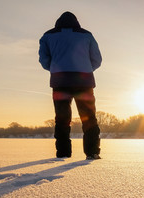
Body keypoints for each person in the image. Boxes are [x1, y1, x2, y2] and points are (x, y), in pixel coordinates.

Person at [39, 11, 102, 160]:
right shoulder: (87, 35)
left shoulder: (47, 36)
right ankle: (92, 152)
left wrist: (56, 69)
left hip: (60, 81)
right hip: (84, 81)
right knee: (88, 117)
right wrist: (85, 69)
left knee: (62, 118)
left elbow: (44, 60)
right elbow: (97, 60)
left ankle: (63, 153)